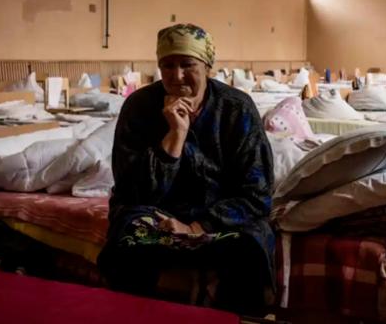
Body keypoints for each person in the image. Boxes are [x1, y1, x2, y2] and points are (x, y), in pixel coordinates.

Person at [99, 23, 275, 315]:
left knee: (248, 250)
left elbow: (258, 193)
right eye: (167, 65)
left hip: (221, 218)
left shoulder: (236, 109)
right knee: (130, 244)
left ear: (206, 66)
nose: (177, 75)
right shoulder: (139, 107)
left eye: (187, 65)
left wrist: (197, 227)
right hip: (156, 215)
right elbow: (132, 190)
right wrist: (175, 135)